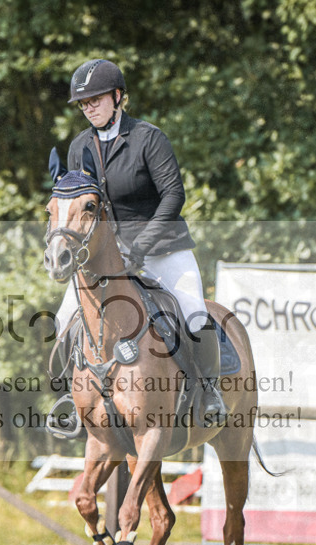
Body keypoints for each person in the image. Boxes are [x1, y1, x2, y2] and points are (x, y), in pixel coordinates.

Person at [52, 58, 227, 427]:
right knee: (64, 318)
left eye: (96, 99)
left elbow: (173, 196)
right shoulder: (79, 147)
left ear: (118, 97)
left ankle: (209, 392)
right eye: (84, 103)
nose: (89, 108)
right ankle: (73, 395)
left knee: (194, 313)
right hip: (107, 256)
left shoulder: (148, 138)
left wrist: (142, 246)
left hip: (164, 248)